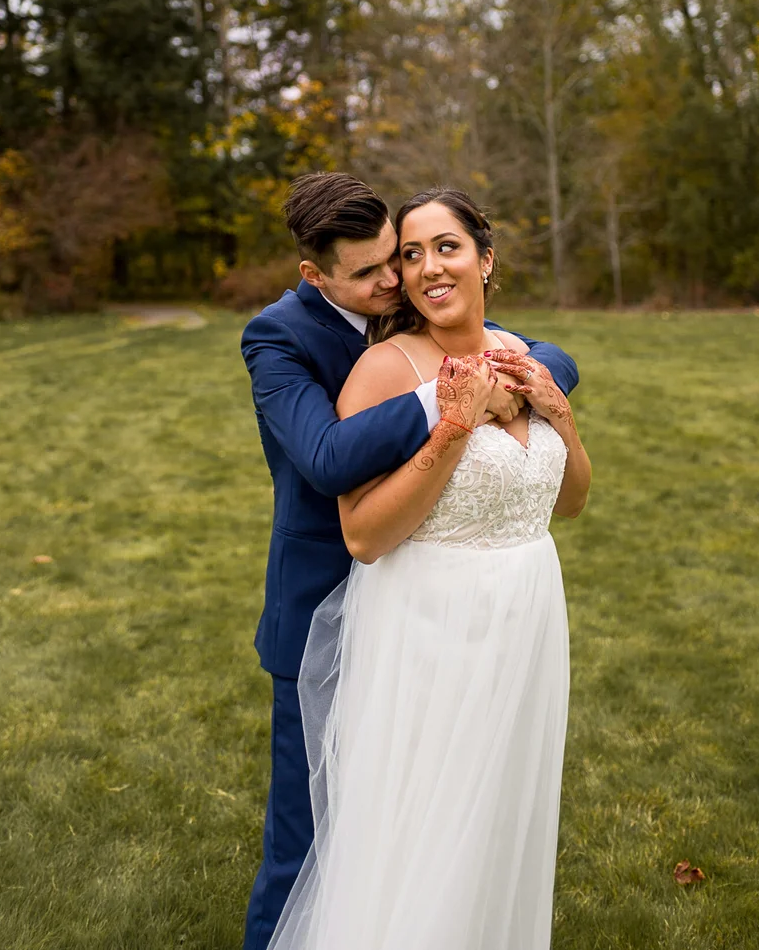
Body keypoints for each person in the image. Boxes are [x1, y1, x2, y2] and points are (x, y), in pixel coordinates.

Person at [240, 173, 580, 950]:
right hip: (327, 599)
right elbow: (327, 460)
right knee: (308, 845)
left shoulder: (416, 301)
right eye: (369, 273)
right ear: (314, 276)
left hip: (444, 610)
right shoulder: (279, 337)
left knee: (442, 818)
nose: (395, 281)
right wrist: (452, 398)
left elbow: (536, 348)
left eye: (395, 258)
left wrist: (530, 376)